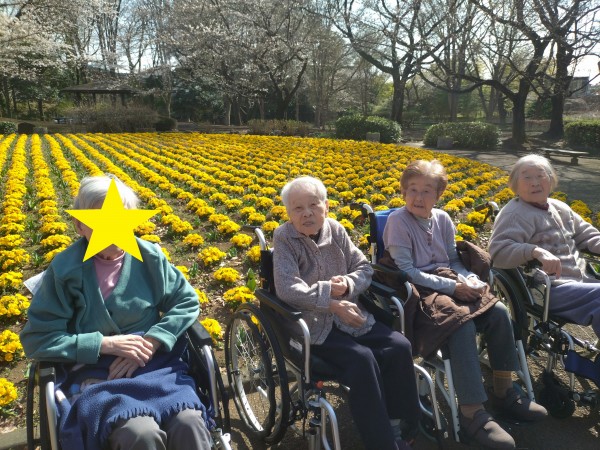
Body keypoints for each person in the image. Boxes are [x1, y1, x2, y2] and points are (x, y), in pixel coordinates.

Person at [20, 175, 211, 450]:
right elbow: (38, 339)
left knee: (189, 421)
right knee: (139, 432)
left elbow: (186, 301)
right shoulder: (65, 270)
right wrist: (105, 344)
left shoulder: (150, 258)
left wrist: (153, 340)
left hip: (153, 364)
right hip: (96, 375)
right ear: (79, 225)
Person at [380, 160, 546, 450]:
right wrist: (453, 287)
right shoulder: (398, 222)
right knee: (460, 323)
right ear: (404, 192)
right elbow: (407, 271)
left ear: (438, 195)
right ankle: (471, 413)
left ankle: (504, 390)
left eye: (427, 191)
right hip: (418, 291)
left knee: (498, 312)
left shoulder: (443, 219)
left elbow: (453, 260)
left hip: (448, 281)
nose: (418, 197)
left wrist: (469, 279)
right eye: (413, 190)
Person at [273, 176, 420, 450]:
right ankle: (382, 444)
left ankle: (401, 425)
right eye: (298, 208)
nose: (307, 213)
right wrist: (330, 300)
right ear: (289, 213)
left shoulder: (336, 230)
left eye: (313, 205)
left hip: (352, 318)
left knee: (399, 346)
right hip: (312, 326)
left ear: (326, 206)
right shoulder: (284, 238)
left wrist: (350, 283)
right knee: (361, 359)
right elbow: (287, 288)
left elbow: (363, 268)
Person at [490, 154, 600, 338]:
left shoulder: (560, 207)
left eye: (540, 175)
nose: (535, 183)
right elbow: (498, 252)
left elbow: (588, 235)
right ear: (515, 184)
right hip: (548, 291)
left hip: (583, 283)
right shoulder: (515, 214)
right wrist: (534, 251)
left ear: (551, 180)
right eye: (527, 177)